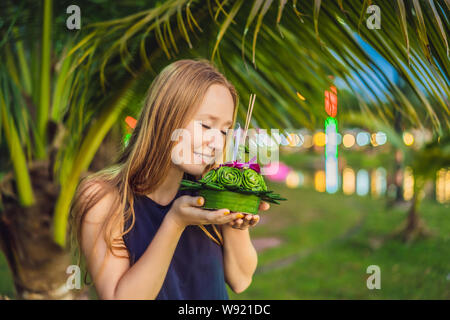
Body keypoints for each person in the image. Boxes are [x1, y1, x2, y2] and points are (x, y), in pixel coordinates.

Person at [69, 58, 270, 300]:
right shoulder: (103, 197)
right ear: (166, 118)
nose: (217, 142)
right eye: (206, 125)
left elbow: (240, 280)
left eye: (225, 130)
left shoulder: (210, 190)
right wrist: (175, 222)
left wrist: (235, 219)